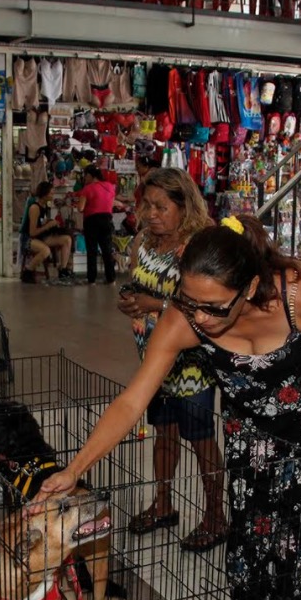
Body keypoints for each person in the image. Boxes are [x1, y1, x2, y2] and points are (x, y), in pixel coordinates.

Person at [36, 215, 301, 600]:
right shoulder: (184, 319)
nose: (199, 317)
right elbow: (132, 401)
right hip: (248, 420)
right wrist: (74, 469)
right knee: (250, 517)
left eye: (213, 307)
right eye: (189, 301)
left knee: (296, 528)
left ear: (250, 287)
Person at [119, 168, 226, 553]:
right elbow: (136, 284)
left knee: (201, 439)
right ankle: (163, 504)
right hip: (154, 359)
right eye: (147, 205)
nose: (151, 214)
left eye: (161, 207)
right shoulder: (144, 241)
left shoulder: (198, 247)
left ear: (184, 207)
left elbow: (207, 306)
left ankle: (216, 516)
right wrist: (130, 300)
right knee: (163, 432)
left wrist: (155, 304)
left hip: (191, 361)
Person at [19, 181, 74, 284]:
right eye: (51, 193)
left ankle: (63, 269)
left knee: (67, 239)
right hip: (29, 239)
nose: (53, 195)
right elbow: (32, 232)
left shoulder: (45, 207)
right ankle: (28, 271)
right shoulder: (35, 208)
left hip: (41, 237)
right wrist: (47, 226)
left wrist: (50, 224)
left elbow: (41, 224)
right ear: (44, 194)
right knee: (46, 251)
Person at [73, 165, 117, 285]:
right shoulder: (110, 186)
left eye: (86, 175)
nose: (84, 178)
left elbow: (80, 208)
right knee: (107, 250)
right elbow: (110, 203)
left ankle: (91, 279)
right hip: (107, 219)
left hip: (92, 221)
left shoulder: (87, 189)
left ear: (90, 175)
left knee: (92, 250)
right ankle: (111, 279)